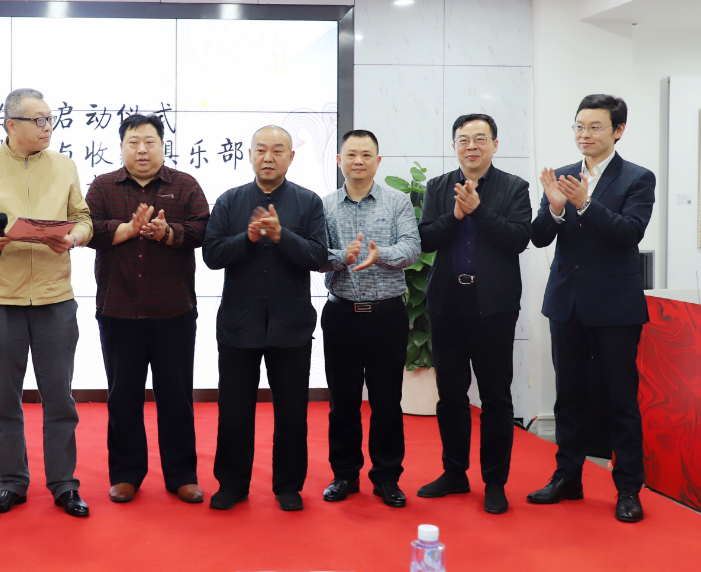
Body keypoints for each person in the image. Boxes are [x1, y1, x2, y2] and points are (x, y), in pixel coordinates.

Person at [0, 88, 93, 518]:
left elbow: (83, 218)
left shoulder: (64, 165)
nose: (48, 127)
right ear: (12, 125)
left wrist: (74, 238)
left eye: (50, 119)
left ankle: (64, 485)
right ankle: (12, 482)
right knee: (3, 399)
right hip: (0, 298)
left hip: (55, 298)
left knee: (60, 398)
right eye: (39, 120)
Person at [527, 95, 654, 523]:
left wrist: (584, 204)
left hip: (615, 307)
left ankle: (628, 488)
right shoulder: (563, 174)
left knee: (620, 399)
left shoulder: (638, 178)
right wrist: (556, 209)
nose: (585, 134)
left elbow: (630, 233)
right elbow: (539, 237)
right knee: (569, 397)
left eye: (595, 127)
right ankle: (568, 477)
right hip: (567, 303)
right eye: (579, 126)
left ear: (618, 131)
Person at [85, 114, 211, 505]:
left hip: (173, 311)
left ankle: (182, 475)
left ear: (162, 145)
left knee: (176, 397)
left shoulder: (184, 184)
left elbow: (204, 229)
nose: (142, 149)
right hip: (118, 309)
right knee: (123, 397)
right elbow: (87, 229)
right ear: (121, 146)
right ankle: (126, 474)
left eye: (150, 142)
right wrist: (125, 229)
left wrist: (168, 233)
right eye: (134, 142)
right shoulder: (103, 186)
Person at [201, 125, 328, 512]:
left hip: (291, 326)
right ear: (250, 154)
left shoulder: (308, 202)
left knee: (291, 413)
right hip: (238, 325)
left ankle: (288, 486)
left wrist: (281, 235)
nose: (268, 157)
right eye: (261, 150)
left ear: (291, 157)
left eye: (277, 150)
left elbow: (319, 256)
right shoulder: (230, 200)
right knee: (234, 412)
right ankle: (232, 485)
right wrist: (250, 238)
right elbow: (211, 255)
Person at [416, 113, 531, 515]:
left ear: (495, 145)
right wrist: (456, 216)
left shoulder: (514, 187)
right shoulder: (438, 187)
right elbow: (426, 238)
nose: (471, 146)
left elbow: (518, 239)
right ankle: (454, 473)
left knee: (496, 396)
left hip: (493, 306)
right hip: (447, 302)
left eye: (480, 138)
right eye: (463, 139)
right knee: (450, 394)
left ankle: (495, 481)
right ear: (454, 146)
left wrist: (479, 210)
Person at [318, 130, 421, 508]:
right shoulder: (325, 206)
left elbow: (412, 248)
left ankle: (387, 477)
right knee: (342, 401)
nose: (358, 161)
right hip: (341, 314)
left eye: (366, 154)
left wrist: (383, 255)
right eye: (351, 154)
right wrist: (342, 257)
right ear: (339, 160)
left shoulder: (397, 201)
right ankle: (344, 474)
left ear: (378, 161)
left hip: (386, 315)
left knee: (387, 400)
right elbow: (316, 255)